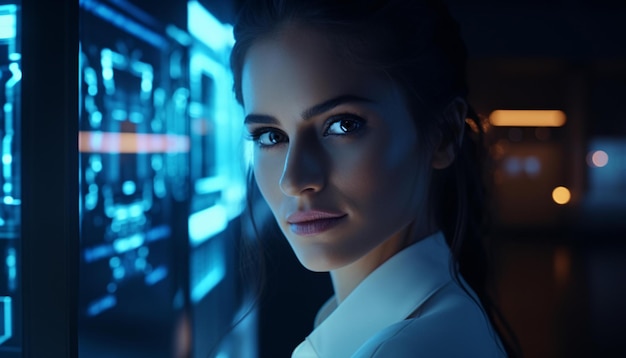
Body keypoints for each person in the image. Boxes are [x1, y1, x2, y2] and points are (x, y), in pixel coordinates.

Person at [230, 0, 520, 356]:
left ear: (443, 134)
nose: (293, 179)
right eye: (270, 136)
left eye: (342, 125)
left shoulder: (400, 349)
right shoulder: (360, 320)